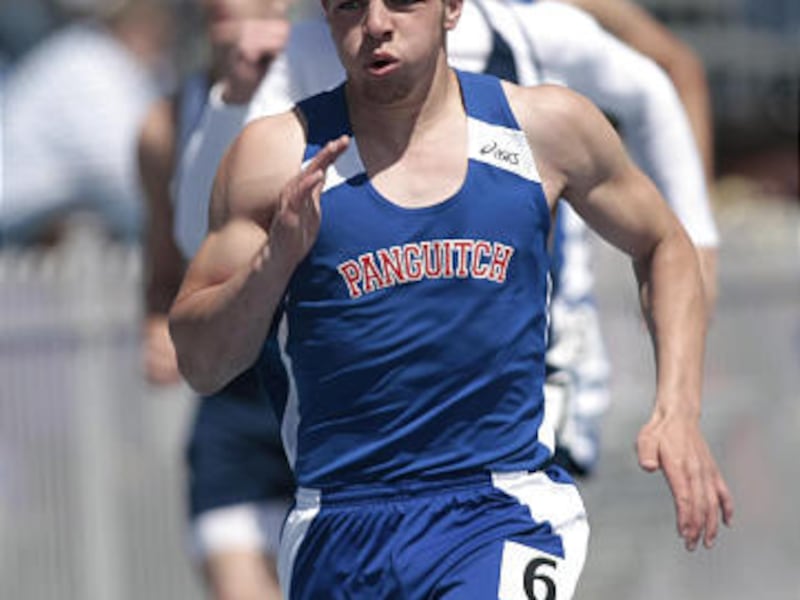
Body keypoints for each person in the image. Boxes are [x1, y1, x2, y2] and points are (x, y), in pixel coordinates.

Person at [169, 0, 734, 596]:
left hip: (499, 508)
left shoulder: (542, 129)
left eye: (403, 1)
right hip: (338, 521)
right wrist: (274, 260)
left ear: (452, 8)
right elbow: (202, 363)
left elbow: (665, 242)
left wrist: (678, 409)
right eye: (350, 6)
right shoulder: (276, 159)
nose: (377, 24)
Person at [137, 0, 292, 598]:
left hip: (333, 405)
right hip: (234, 408)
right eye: (221, 15)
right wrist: (156, 325)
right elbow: (164, 270)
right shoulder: (166, 125)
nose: (240, 26)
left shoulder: (329, 94)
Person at [1, 0, 171, 246]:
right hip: (11, 228)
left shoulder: (127, 67)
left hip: (37, 231)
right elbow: (124, 175)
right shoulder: (86, 64)